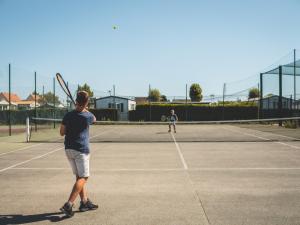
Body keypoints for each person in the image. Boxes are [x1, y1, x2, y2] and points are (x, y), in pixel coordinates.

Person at [59, 91, 98, 217]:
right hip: (81, 150)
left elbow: (61, 132)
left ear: (76, 101)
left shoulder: (68, 115)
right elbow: (94, 119)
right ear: (86, 102)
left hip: (68, 150)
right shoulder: (88, 116)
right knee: (84, 177)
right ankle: (69, 204)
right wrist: (85, 109)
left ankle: (84, 202)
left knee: (79, 177)